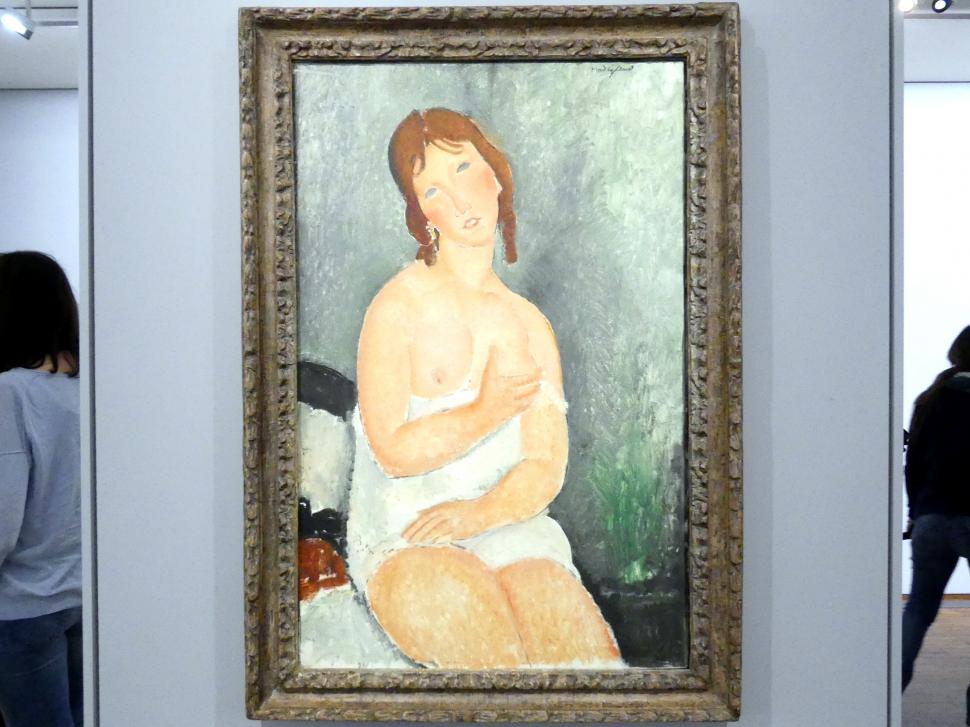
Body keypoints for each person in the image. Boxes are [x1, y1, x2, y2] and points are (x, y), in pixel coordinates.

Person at [345, 108, 621, 668]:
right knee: (500, 666)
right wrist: (485, 411)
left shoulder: (530, 324)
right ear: (421, 213)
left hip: (509, 524)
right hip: (411, 532)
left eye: (464, 169)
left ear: (495, 173)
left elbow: (544, 465)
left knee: (588, 665)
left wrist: (479, 515)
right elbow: (392, 450)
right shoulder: (397, 307)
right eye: (432, 190)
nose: (459, 199)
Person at [0, 252, 82, 726]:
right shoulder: (87, 390)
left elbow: (3, 520)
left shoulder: (10, 392)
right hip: (82, 595)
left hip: (23, 606)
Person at [902, 324, 970, 691]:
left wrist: (916, 512)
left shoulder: (930, 399)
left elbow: (913, 464)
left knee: (918, 610)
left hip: (931, 518)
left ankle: (885, 695)